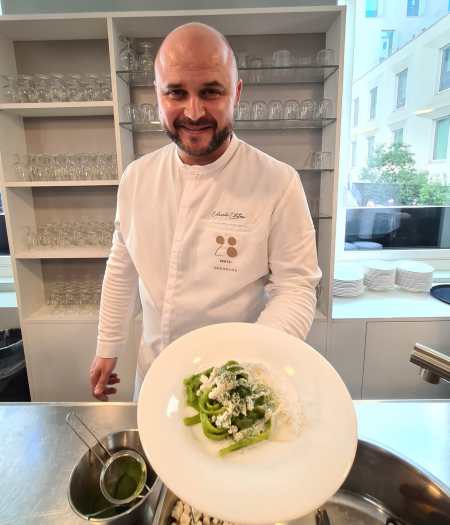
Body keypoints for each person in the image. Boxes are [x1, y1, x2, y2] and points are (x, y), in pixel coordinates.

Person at [90, 22, 322, 401]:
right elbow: (123, 263)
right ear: (157, 94)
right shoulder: (137, 177)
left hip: (237, 385)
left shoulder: (278, 182)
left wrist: (250, 368)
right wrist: (107, 343)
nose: (194, 111)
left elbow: (295, 288)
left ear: (237, 93)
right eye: (176, 92)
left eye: (211, 92)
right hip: (154, 375)